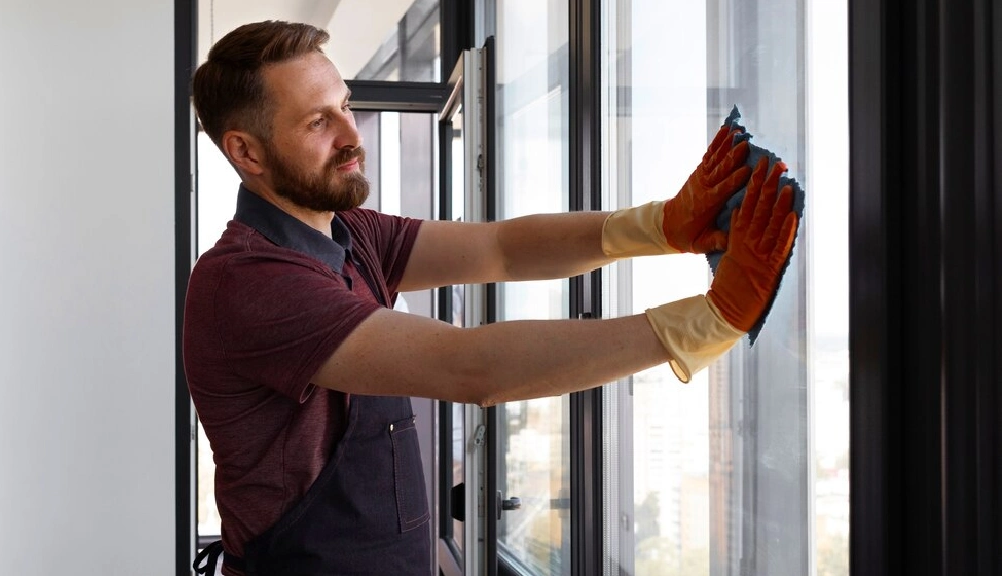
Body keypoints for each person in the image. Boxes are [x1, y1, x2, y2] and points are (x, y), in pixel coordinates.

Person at [185, 20, 798, 576]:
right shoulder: (248, 281)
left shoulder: (348, 232)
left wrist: (662, 226)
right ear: (247, 152)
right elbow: (472, 367)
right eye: (319, 122)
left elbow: (503, 248)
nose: (351, 135)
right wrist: (707, 321)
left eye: (345, 105)